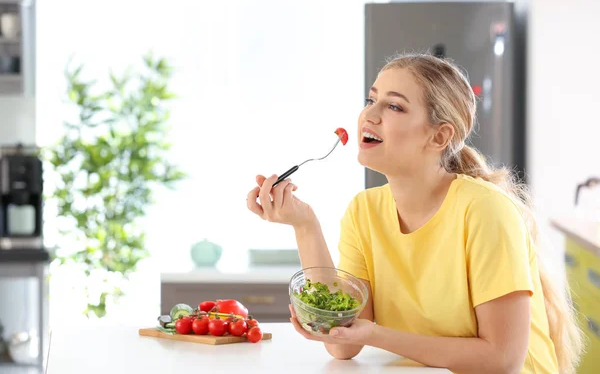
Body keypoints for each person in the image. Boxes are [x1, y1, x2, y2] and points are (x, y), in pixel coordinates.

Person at [246, 54, 583, 374]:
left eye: (394, 106)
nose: (370, 115)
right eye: (371, 100)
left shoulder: (484, 210)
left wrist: (374, 334)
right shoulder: (364, 211)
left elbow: (501, 360)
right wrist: (305, 226)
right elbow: (342, 343)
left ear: (439, 136)